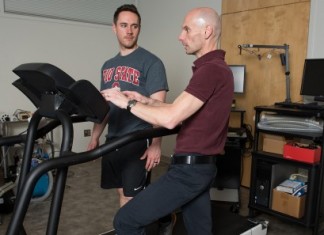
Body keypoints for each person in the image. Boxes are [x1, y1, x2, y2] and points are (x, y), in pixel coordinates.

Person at [103, 7, 234, 235]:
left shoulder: (210, 71)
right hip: (201, 168)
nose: (180, 36)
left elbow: (172, 119)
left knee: (125, 220)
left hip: (189, 172)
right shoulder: (214, 69)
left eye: (186, 29)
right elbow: (177, 109)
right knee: (199, 230)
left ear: (207, 31)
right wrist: (145, 100)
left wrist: (127, 104)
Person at [87, 4, 174, 234]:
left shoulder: (152, 62)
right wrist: (95, 136)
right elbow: (104, 107)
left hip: (138, 138)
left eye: (134, 26)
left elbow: (160, 107)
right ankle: (164, 216)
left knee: (130, 197)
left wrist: (156, 145)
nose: (129, 31)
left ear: (139, 29)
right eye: (124, 25)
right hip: (113, 140)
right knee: (122, 191)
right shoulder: (107, 66)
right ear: (114, 28)